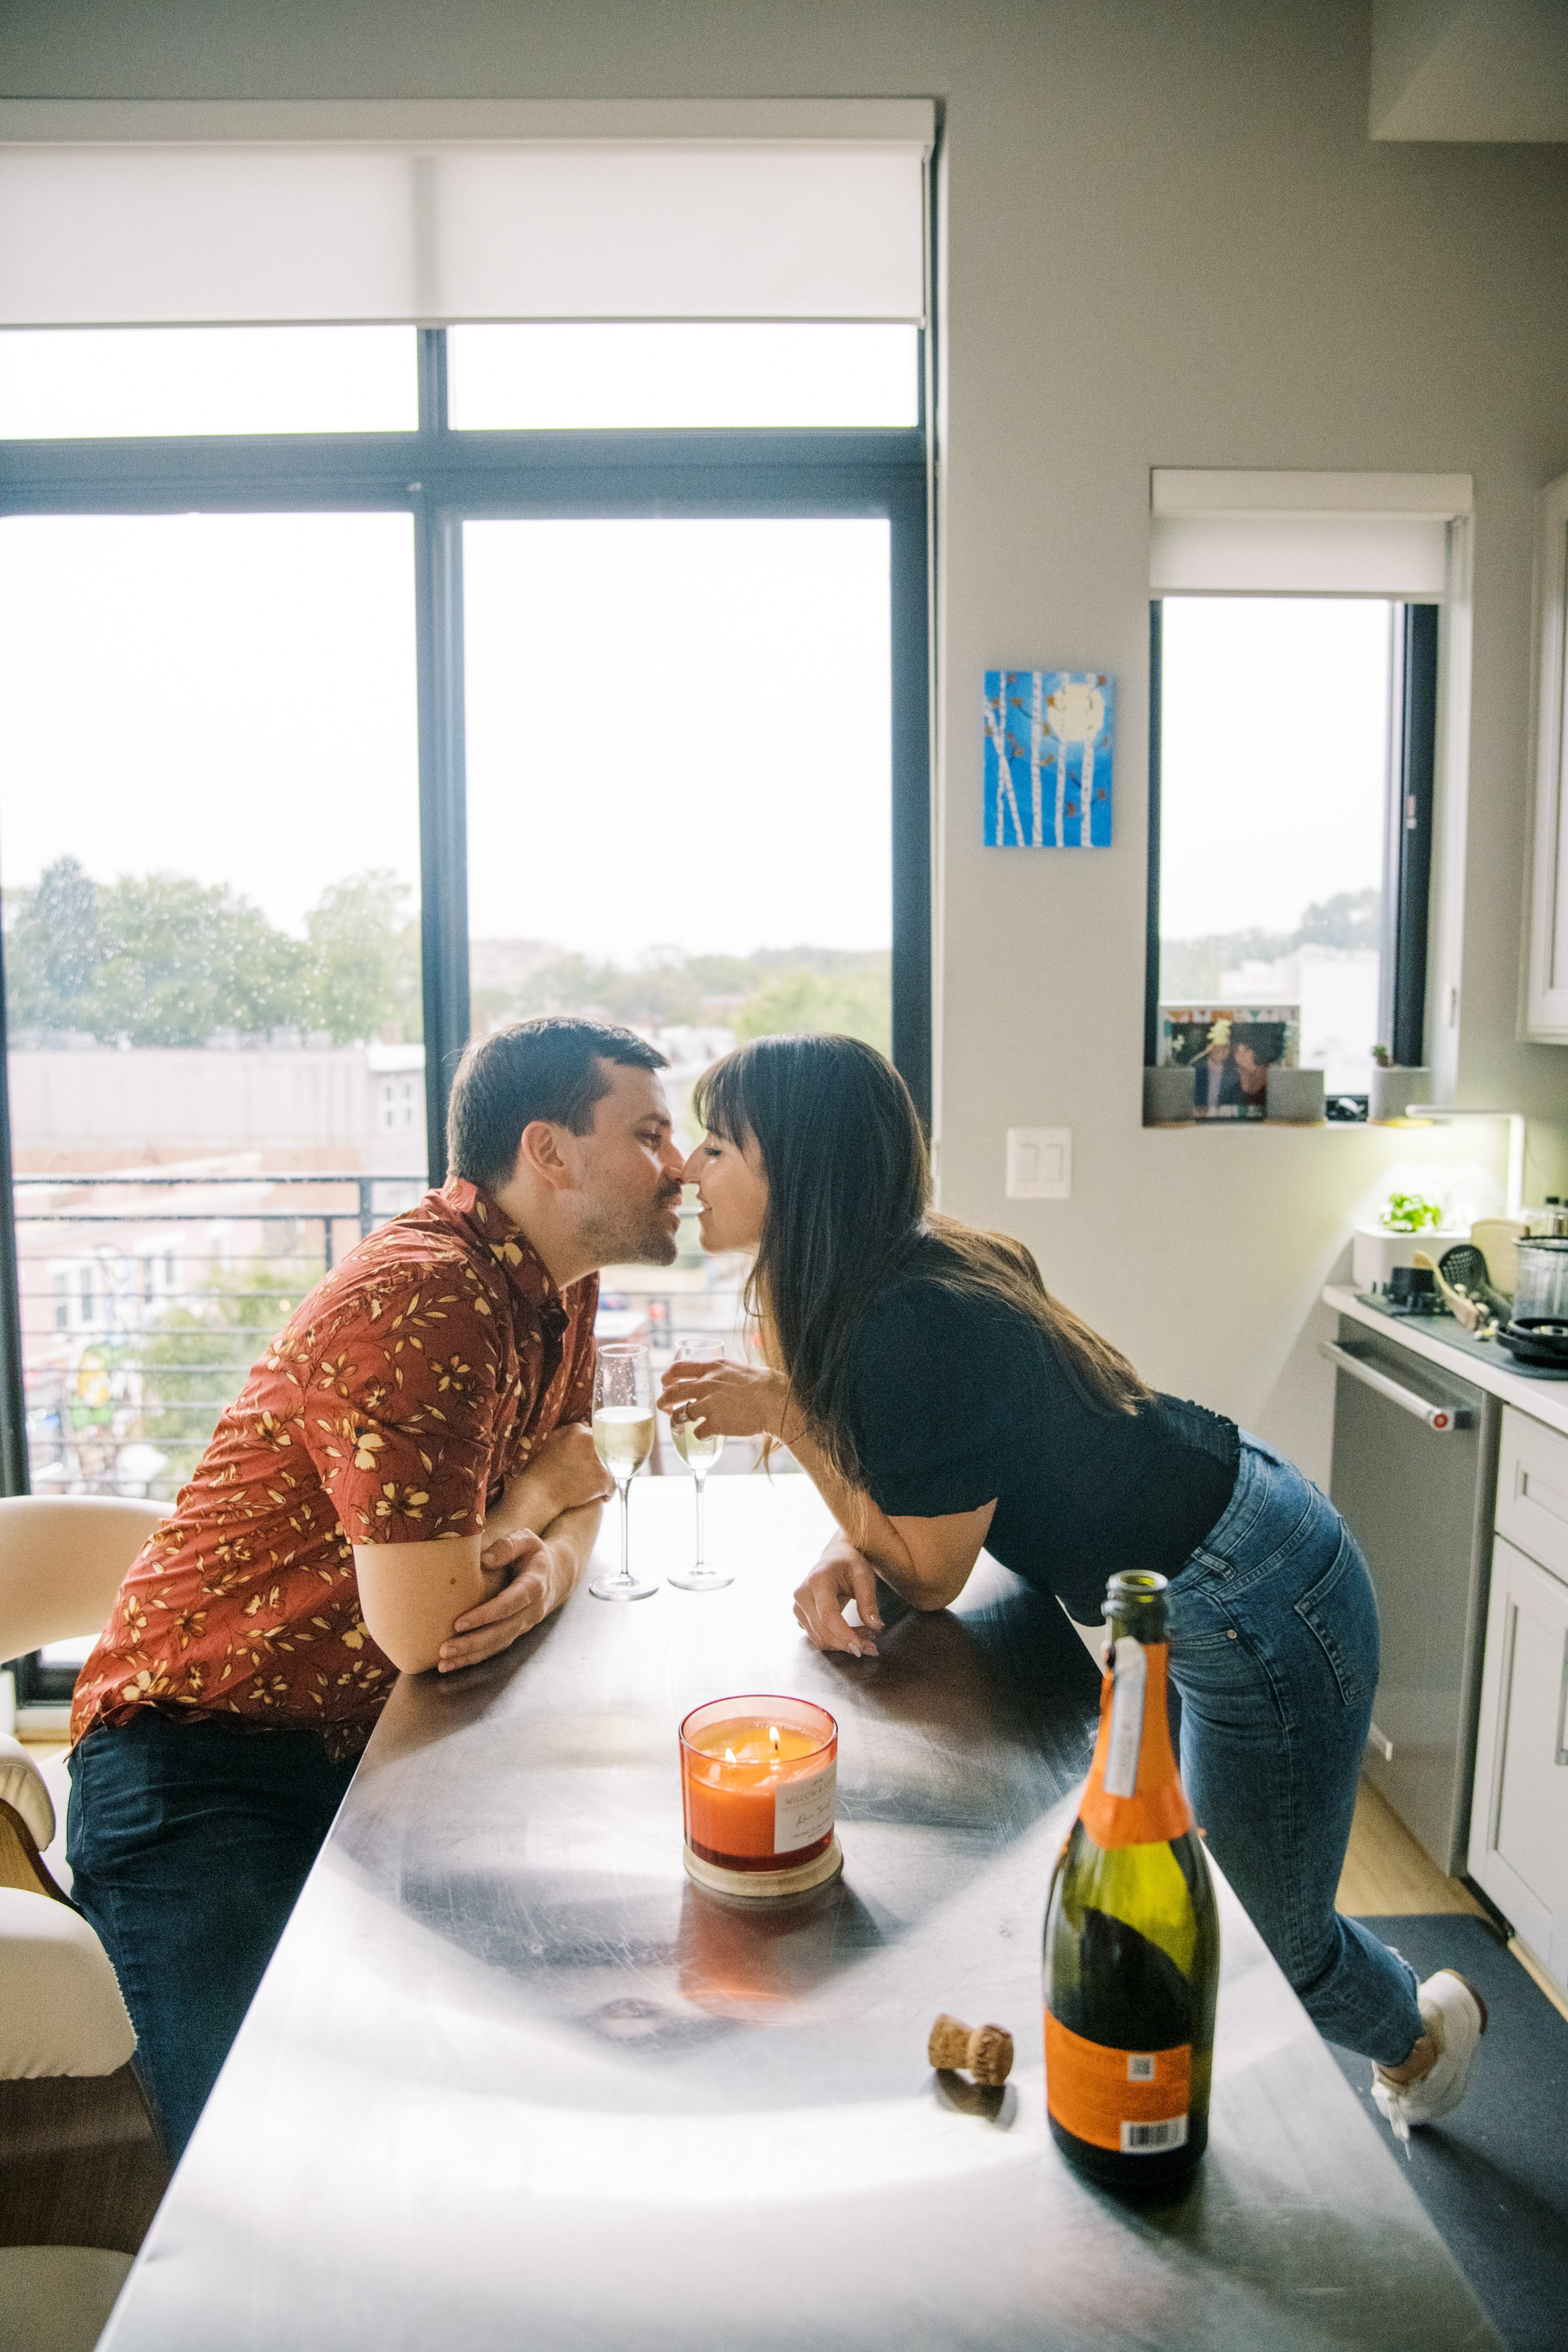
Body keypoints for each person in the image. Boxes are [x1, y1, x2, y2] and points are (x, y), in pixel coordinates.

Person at [659, 1032, 1486, 2141]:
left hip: (1258, 1600)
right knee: (1194, 1888)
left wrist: (787, 1417)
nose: (691, 1169)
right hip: (1215, 1563)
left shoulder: (907, 1320)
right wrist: (836, 1541)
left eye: (719, 1145)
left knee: (1259, 1939)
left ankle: (1426, 2041)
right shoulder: (900, 1270)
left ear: (800, 1169)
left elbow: (931, 1574)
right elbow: (910, 1498)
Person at [68, 1015, 687, 2158]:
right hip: (196, 1768)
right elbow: (433, 1625)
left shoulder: (560, 1283)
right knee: (266, 2158)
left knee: (559, 2042)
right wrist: (527, 1511)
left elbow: (584, 1482)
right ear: (548, 1153)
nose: (683, 1164)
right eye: (650, 1133)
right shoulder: (426, 1297)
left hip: (374, 1745)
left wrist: (539, 1553)